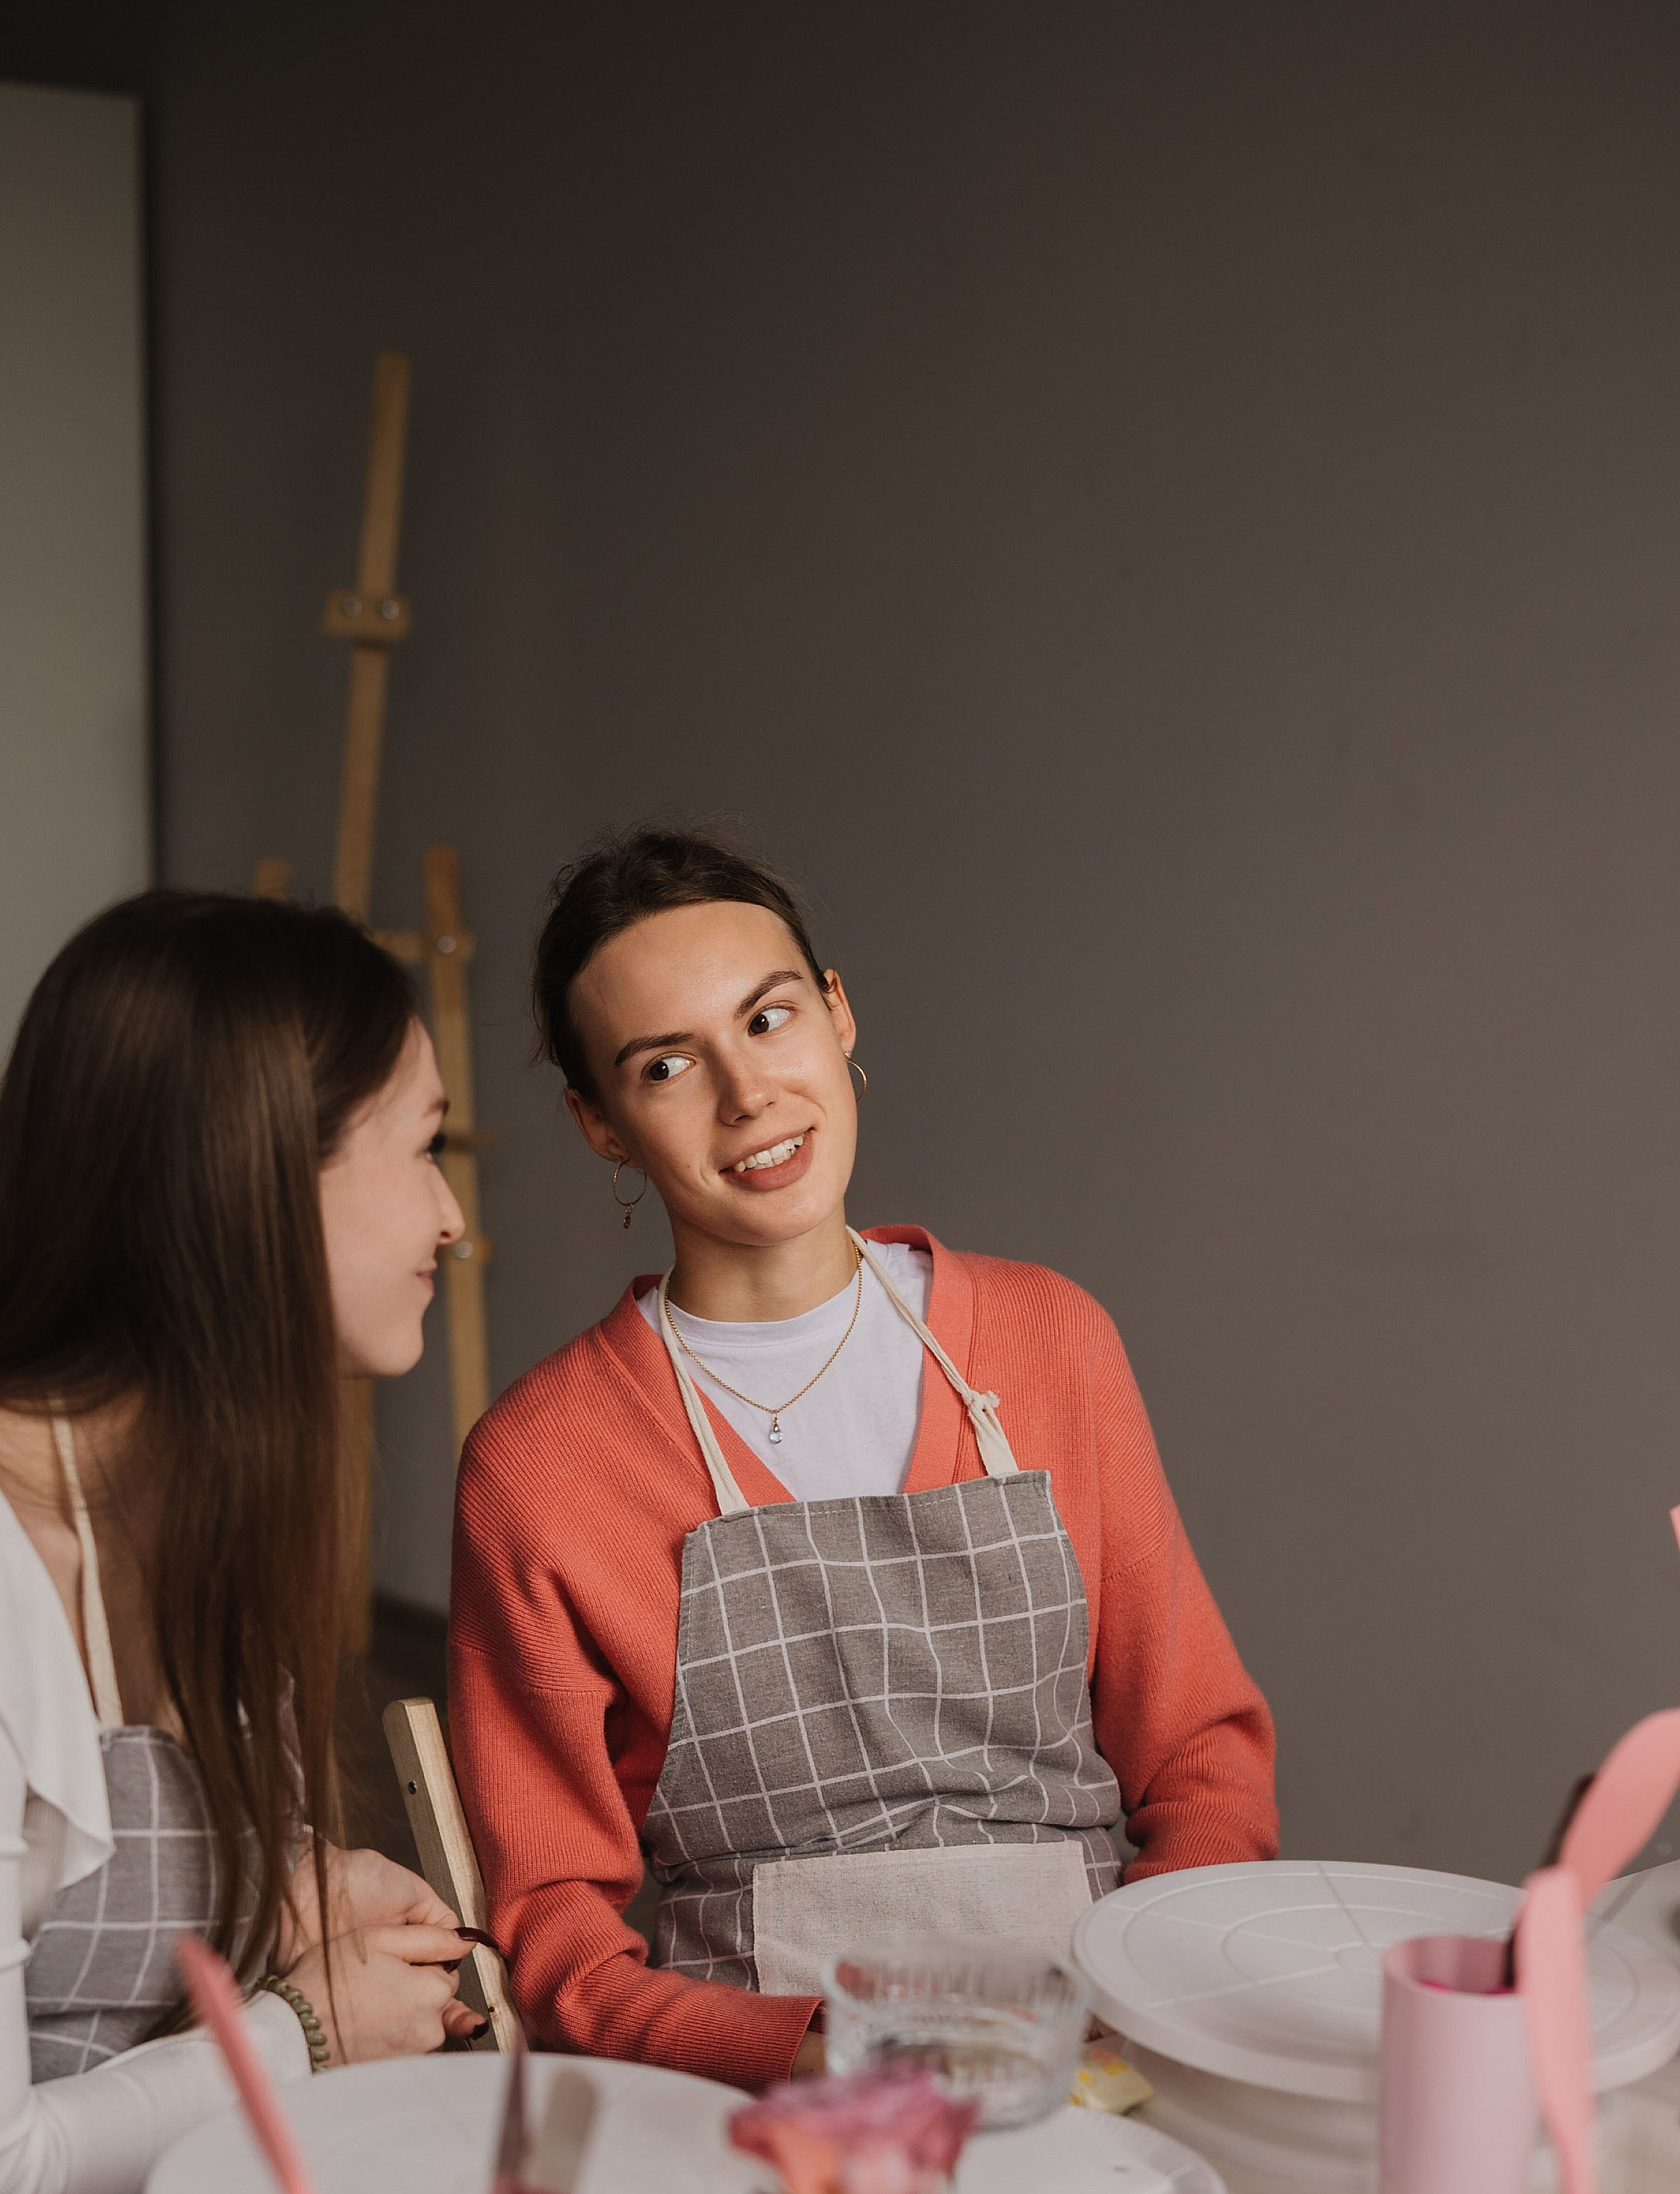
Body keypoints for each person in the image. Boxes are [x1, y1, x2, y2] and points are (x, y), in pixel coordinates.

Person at [449, 829, 1278, 2091]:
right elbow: (556, 1929)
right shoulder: (542, 1463)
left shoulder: (1050, 1338)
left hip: (1101, 2054)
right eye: (667, 1064)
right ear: (601, 1124)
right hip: (774, 2103)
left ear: (837, 1014)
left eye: (768, 1018)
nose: (747, 1095)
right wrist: (806, 2057)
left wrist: (1140, 2005)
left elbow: (1201, 1759)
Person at [0, 891, 486, 2194]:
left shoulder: (200, 1493)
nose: (452, 1217)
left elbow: (94, 1900)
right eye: (422, 1145)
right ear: (255, 1182)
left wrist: (284, 1887)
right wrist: (305, 2030)